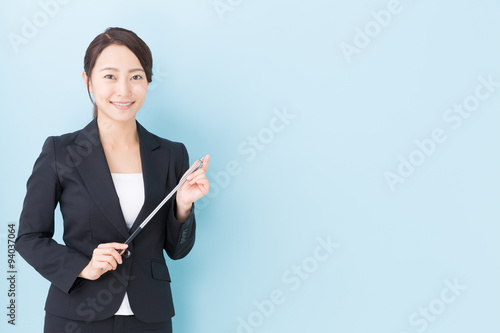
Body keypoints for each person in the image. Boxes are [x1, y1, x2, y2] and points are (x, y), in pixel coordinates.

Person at [15, 27, 209, 333]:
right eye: (109, 76)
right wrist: (83, 266)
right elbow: (28, 238)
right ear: (87, 81)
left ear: (147, 82)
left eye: (135, 76)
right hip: (75, 317)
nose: (124, 90)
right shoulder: (60, 152)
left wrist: (182, 206)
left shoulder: (172, 154)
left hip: (151, 317)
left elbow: (177, 250)